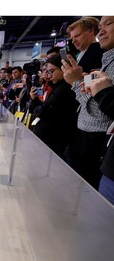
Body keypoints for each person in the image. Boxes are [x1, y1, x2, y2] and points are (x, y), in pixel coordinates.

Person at [62, 16, 110, 190]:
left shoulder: (100, 54)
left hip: (95, 132)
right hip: (80, 124)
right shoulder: (79, 55)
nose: (74, 41)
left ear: (91, 33)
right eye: (72, 38)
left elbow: (96, 99)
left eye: (78, 36)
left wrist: (76, 82)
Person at [82, 16, 114, 203]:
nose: (100, 32)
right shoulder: (105, 61)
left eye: (108, 24)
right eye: (100, 26)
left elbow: (98, 112)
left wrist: (103, 93)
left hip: (96, 140)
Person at [30, 54, 79, 160]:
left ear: (63, 68)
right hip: (49, 136)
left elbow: (44, 110)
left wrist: (38, 106)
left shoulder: (65, 89)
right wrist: (35, 100)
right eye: (46, 71)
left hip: (56, 139)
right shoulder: (55, 87)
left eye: (51, 71)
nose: (47, 75)